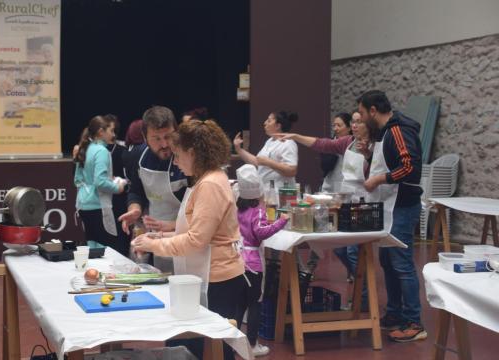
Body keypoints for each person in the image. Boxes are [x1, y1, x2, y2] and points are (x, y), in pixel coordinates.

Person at [132, 119, 245, 360]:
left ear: (192, 153)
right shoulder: (205, 180)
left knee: (217, 349)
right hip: (208, 275)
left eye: (178, 154)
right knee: (196, 344)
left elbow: (196, 241)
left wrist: (154, 244)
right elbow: (196, 232)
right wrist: (161, 235)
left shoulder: (211, 184)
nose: (175, 161)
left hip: (219, 279)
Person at [279, 111, 375, 308]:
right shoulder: (347, 142)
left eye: (359, 122)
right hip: (345, 201)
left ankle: (364, 299)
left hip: (364, 203)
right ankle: (360, 290)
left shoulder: (375, 146)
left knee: (355, 252)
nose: (355, 126)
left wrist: (368, 155)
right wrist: (296, 137)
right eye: (354, 122)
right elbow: (322, 144)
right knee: (343, 249)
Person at [358, 90, 425, 343]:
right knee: (388, 260)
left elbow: (410, 167)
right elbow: (390, 162)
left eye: (363, 114)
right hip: (389, 205)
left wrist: (378, 179)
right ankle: (395, 313)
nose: (363, 120)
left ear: (373, 111)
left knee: (402, 264)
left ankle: (414, 321)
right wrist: (368, 157)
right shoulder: (385, 133)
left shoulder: (398, 130)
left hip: (402, 206)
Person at [118, 106, 189, 272]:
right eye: (156, 138)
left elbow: (200, 214)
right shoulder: (137, 157)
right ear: (144, 137)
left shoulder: (188, 160)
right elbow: (135, 190)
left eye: (168, 136)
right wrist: (135, 209)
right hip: (157, 236)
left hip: (187, 235)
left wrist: (172, 226)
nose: (164, 144)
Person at [234, 164, 289, 357]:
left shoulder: (238, 207)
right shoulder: (257, 210)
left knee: (240, 304)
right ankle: (252, 344)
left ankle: (233, 341)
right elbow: (260, 232)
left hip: (237, 261)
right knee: (255, 303)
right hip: (253, 264)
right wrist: (282, 221)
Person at [74, 116, 126, 253]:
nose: (114, 135)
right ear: (101, 132)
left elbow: (78, 179)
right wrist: (117, 187)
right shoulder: (101, 151)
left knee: (92, 247)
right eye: (111, 131)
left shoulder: (86, 148)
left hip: (83, 205)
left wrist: (106, 179)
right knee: (105, 251)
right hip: (98, 206)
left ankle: (92, 274)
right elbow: (99, 181)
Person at [234, 111, 298, 192]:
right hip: (266, 191)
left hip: (281, 194)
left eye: (269, 121)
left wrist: (268, 162)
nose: (265, 123)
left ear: (278, 126)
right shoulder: (270, 141)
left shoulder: (288, 143)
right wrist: (239, 149)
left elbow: (292, 171)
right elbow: (258, 162)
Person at [103, 114, 130, 256]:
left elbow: (129, 181)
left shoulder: (122, 152)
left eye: (109, 128)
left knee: (119, 246)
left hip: (118, 205)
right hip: (97, 204)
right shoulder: (90, 151)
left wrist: (117, 181)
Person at [320, 112, 352, 193]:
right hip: (329, 188)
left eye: (339, 125)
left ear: (349, 128)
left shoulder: (355, 145)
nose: (335, 128)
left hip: (348, 189)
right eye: (334, 125)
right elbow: (324, 166)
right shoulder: (330, 144)